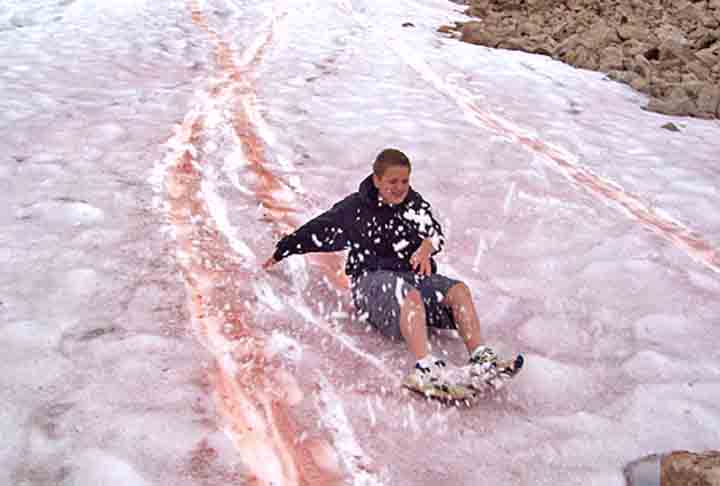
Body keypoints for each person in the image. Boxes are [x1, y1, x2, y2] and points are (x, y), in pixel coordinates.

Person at [263, 148, 522, 392]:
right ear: (377, 180)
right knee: (408, 296)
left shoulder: (413, 205)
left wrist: (426, 247)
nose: (400, 188)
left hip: (411, 280)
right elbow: (317, 230)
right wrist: (282, 250)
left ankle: (481, 359)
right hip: (371, 284)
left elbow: (435, 233)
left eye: (405, 181)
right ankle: (426, 369)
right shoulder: (354, 209)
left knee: (458, 290)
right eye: (393, 181)